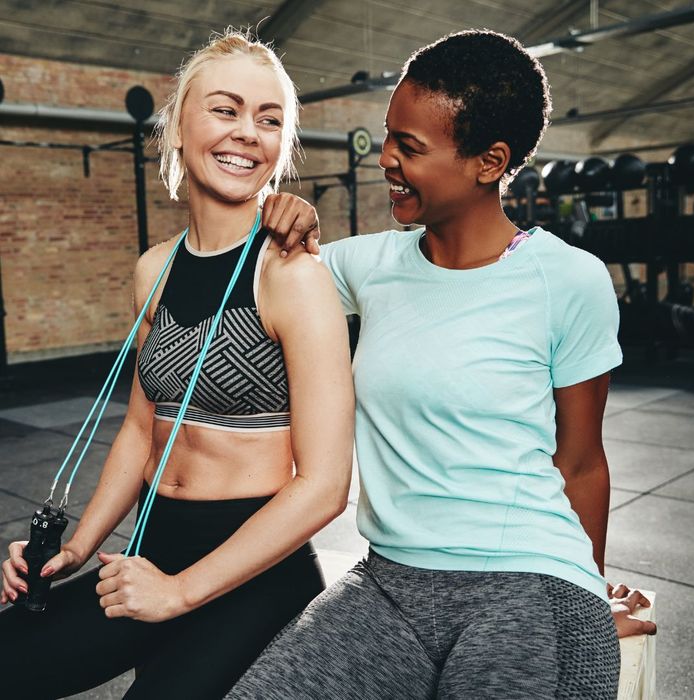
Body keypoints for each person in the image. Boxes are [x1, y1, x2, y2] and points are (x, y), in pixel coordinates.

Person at [227, 30, 653, 700]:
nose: (387, 159)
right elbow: (245, 280)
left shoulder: (569, 280)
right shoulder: (363, 266)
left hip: (528, 585)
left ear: (489, 162)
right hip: (388, 583)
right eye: (389, 136)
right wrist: (278, 223)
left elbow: (581, 462)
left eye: (411, 147)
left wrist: (589, 584)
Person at [0, 29, 354, 699]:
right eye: (226, 109)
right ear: (177, 129)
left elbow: (325, 485)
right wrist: (78, 550)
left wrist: (179, 593)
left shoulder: (291, 274)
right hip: (152, 547)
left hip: (254, 572)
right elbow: (140, 430)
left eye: (269, 118)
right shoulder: (153, 269)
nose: (248, 132)